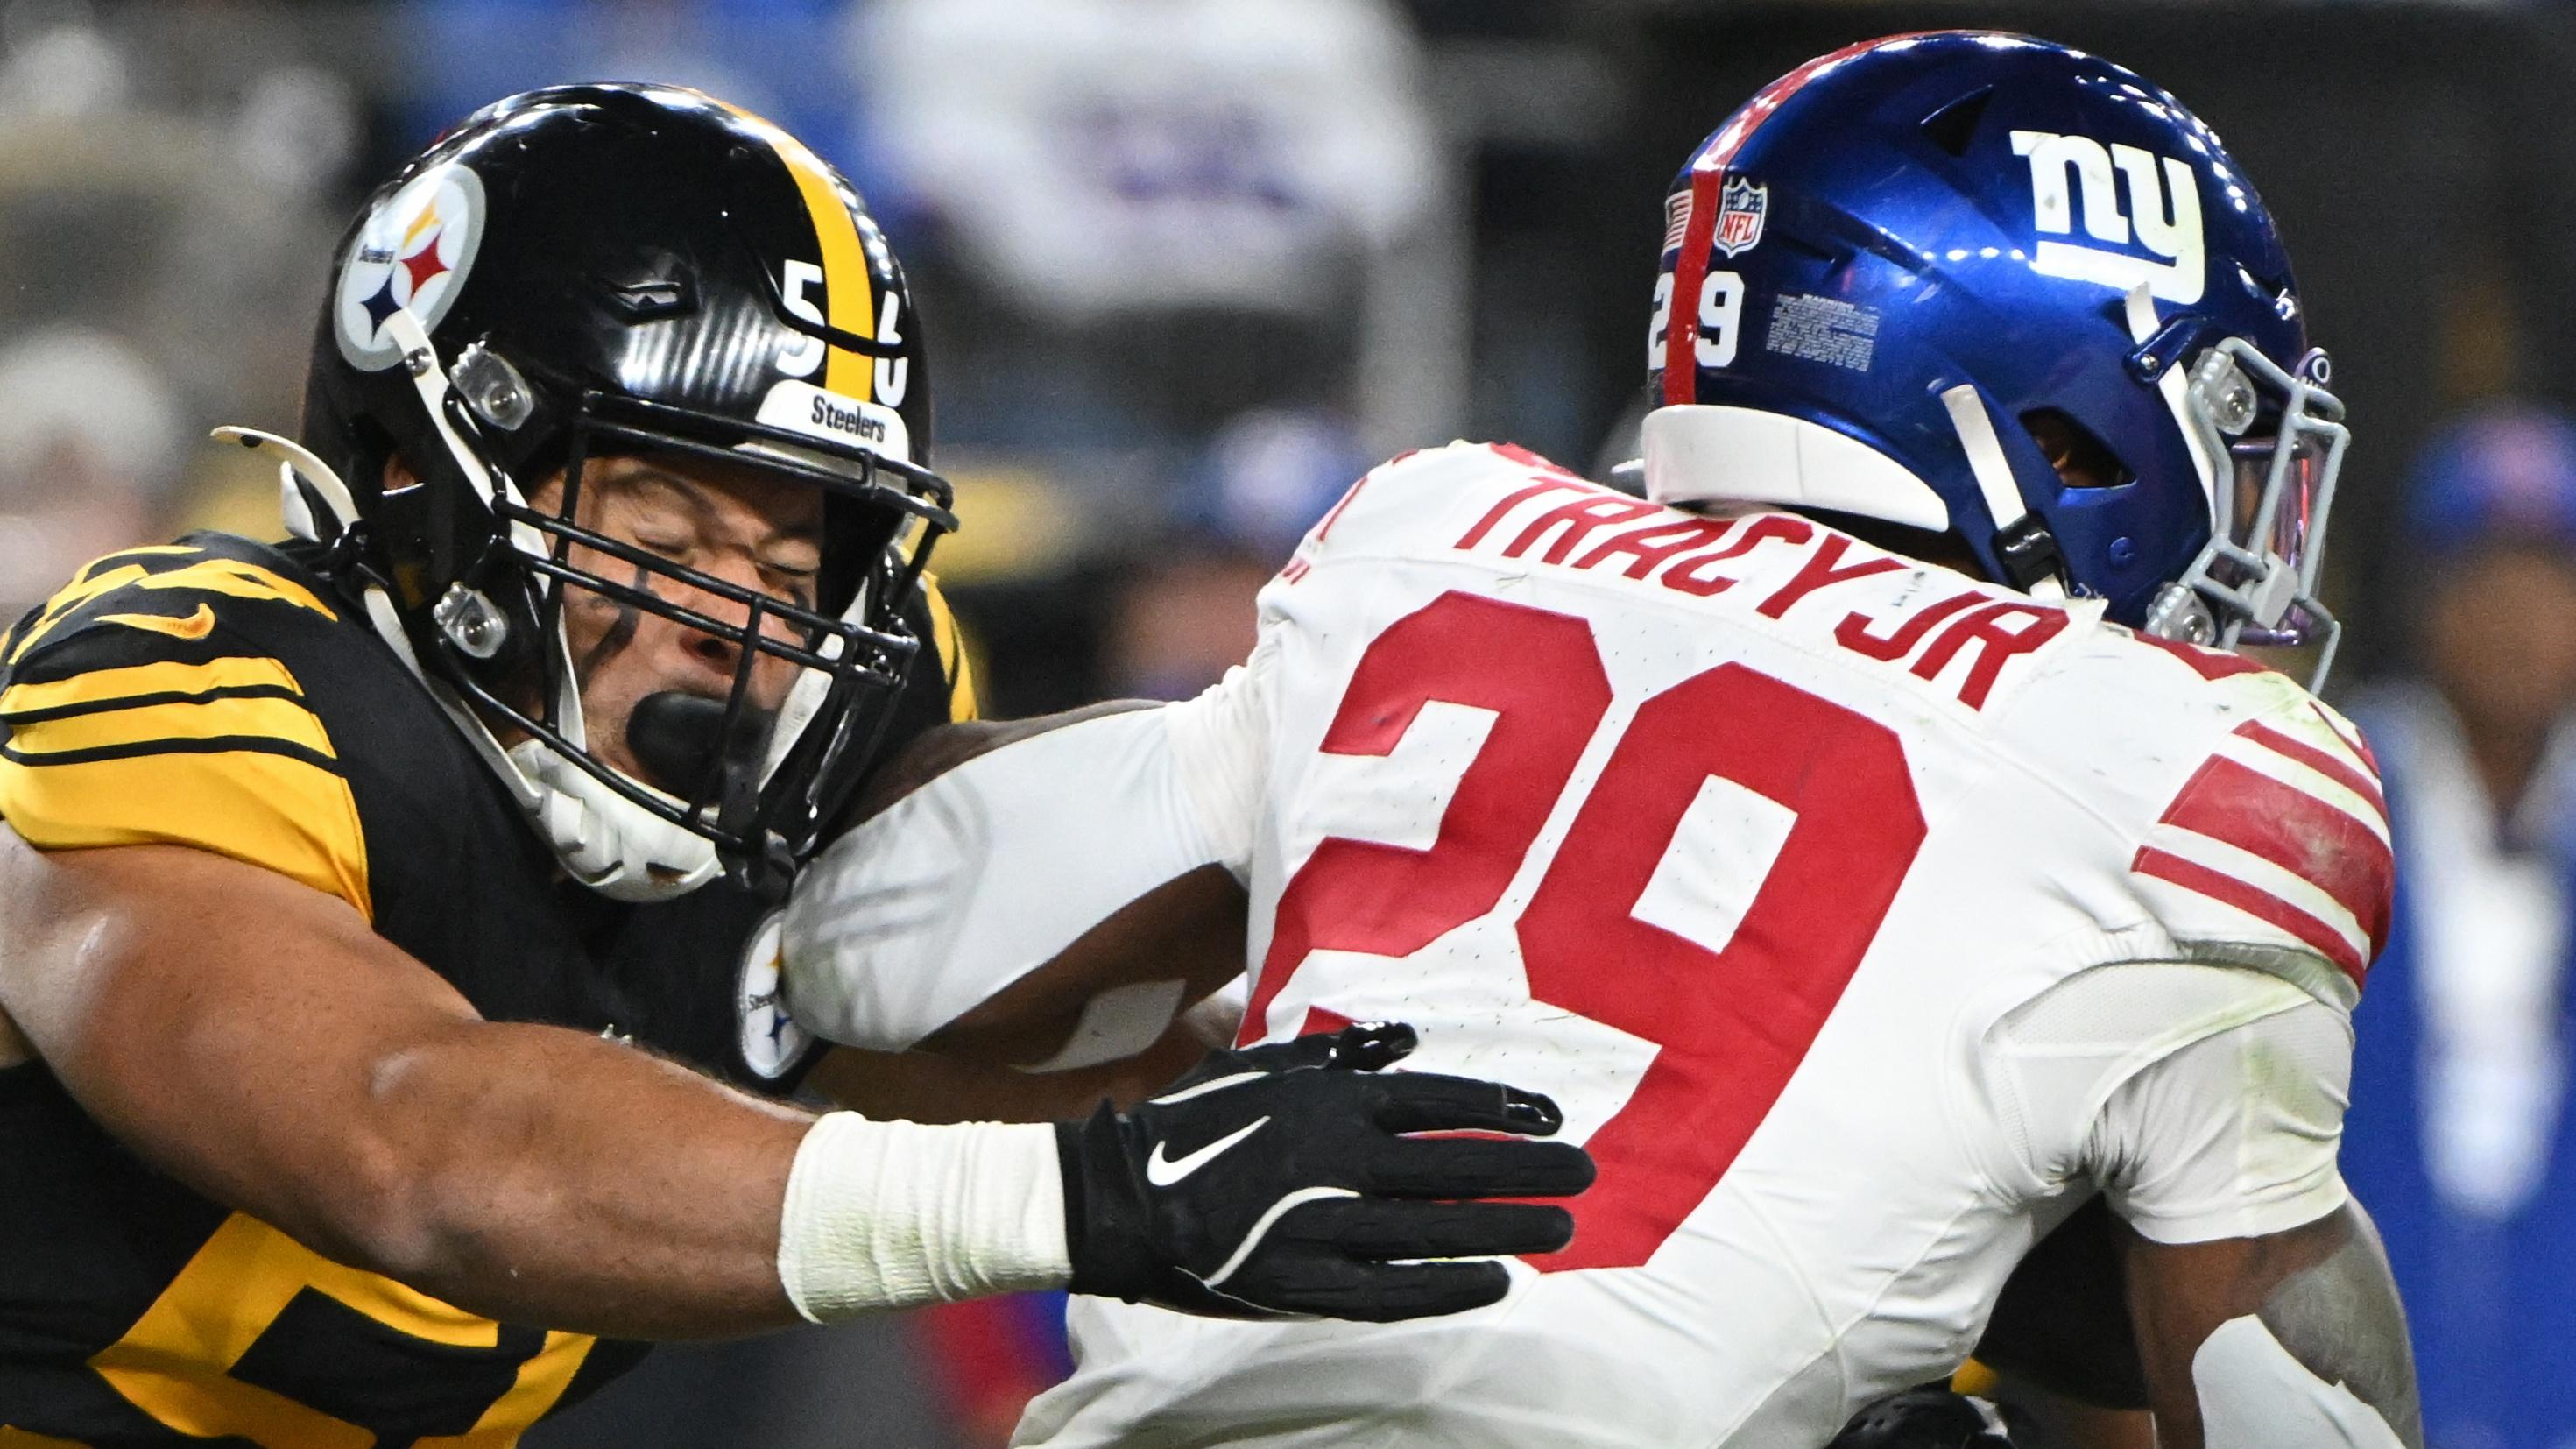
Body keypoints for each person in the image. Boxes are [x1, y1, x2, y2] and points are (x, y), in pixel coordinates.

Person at [784, 32, 2421, 1447]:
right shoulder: (2178, 762)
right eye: (2220, 425)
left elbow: (862, 953)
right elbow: (2279, 1365)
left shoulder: (1437, 534)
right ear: (2057, 421)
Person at [0, 84, 1594, 1445]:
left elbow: (931, 1046)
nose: (738, 626)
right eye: (665, 530)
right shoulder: (200, 678)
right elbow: (415, 1140)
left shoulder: (839, 726)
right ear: (424, 477)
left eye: (789, 562)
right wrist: (1088, 1199)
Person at [2338, 406, 2576, 1449]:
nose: (2515, 613)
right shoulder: (2332, 796)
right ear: (2425, 597)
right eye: (2480, 574)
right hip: (2355, 1392)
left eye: (2545, 575)